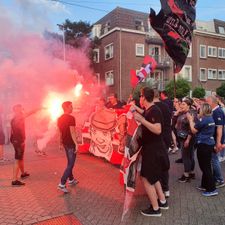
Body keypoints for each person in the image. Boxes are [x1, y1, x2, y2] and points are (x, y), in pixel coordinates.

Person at [133, 87, 169, 217]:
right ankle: (162, 202)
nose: (139, 99)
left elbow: (158, 129)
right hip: (153, 149)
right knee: (154, 177)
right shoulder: (150, 110)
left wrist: (142, 120)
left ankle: (155, 209)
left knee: (146, 178)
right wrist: (137, 111)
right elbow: (145, 113)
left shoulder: (154, 111)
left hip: (153, 150)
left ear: (143, 97)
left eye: (140, 97)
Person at [187, 103, 218, 197]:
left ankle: (211, 189)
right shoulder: (210, 119)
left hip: (204, 145)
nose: (198, 111)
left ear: (203, 110)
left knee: (205, 167)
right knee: (206, 166)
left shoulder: (204, 120)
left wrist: (191, 120)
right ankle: (205, 185)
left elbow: (193, 130)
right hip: (209, 144)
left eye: (200, 109)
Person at [11, 104, 42, 186]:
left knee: (20, 158)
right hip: (18, 141)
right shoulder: (18, 118)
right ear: (16, 110)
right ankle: (14, 180)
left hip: (17, 141)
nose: (22, 110)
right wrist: (38, 108)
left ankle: (23, 173)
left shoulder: (16, 118)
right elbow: (29, 113)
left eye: (22, 108)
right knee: (17, 159)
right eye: (20, 109)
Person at [57, 101, 79, 193]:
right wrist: (76, 144)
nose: (72, 108)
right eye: (71, 106)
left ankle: (71, 179)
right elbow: (72, 132)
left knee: (69, 162)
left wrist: (60, 143)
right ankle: (62, 183)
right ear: (66, 107)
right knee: (70, 164)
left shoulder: (59, 118)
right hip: (70, 143)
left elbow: (60, 132)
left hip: (65, 143)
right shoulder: (71, 118)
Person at [153, 89, 171, 198]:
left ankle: (159, 190)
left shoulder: (153, 108)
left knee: (156, 165)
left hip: (157, 140)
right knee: (164, 164)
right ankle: (165, 189)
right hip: (166, 138)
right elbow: (169, 123)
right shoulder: (165, 106)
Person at [176, 97, 196, 182]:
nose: (181, 105)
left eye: (183, 104)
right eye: (181, 104)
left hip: (187, 138)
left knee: (186, 156)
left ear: (189, 105)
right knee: (189, 155)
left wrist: (188, 140)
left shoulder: (190, 114)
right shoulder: (183, 113)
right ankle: (191, 172)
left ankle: (186, 175)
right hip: (182, 137)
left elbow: (191, 129)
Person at [206, 96, 225, 188]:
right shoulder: (214, 111)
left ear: (212, 102)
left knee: (214, 160)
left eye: (207, 101)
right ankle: (216, 177)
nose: (206, 103)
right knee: (213, 160)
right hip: (213, 140)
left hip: (215, 141)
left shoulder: (218, 112)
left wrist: (218, 143)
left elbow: (220, 128)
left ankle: (220, 180)